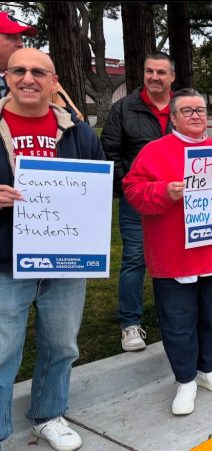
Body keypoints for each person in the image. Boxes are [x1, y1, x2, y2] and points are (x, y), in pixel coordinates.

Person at [123, 89, 212, 416]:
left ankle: (205, 369)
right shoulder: (153, 152)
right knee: (178, 321)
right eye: (187, 110)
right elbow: (132, 191)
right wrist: (163, 191)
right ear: (172, 118)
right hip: (174, 256)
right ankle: (185, 379)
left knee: (209, 318)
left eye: (199, 110)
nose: (196, 115)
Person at [0, 48, 104, 451]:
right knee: (2, 350)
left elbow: (98, 190)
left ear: (54, 81)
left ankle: (48, 414)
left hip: (65, 261)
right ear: (7, 77)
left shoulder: (78, 132)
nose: (29, 78)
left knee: (62, 345)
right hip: (6, 260)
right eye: (20, 70)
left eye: (39, 72)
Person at [102, 51, 175, 352]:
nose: (154, 77)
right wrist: (130, 187)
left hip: (175, 200)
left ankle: (167, 313)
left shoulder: (182, 109)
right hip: (138, 201)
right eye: (149, 71)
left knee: (170, 259)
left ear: (172, 77)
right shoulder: (123, 109)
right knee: (134, 258)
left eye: (161, 72)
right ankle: (130, 323)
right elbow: (109, 152)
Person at [0, 12, 83, 120]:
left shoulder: (44, 79)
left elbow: (75, 121)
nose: (20, 44)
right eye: (12, 38)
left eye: (21, 38)